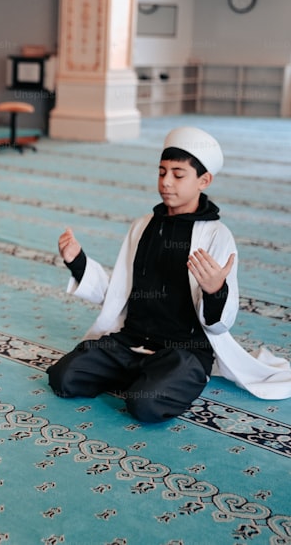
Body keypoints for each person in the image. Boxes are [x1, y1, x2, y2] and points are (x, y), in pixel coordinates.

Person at [47, 126, 291, 422]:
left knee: (145, 406)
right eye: (161, 172)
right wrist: (77, 261)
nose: (166, 182)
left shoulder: (217, 235)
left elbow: (219, 323)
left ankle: (165, 379)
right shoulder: (142, 225)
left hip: (184, 351)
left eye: (178, 174)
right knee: (64, 378)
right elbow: (118, 294)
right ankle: (145, 375)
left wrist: (216, 291)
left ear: (204, 180)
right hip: (131, 341)